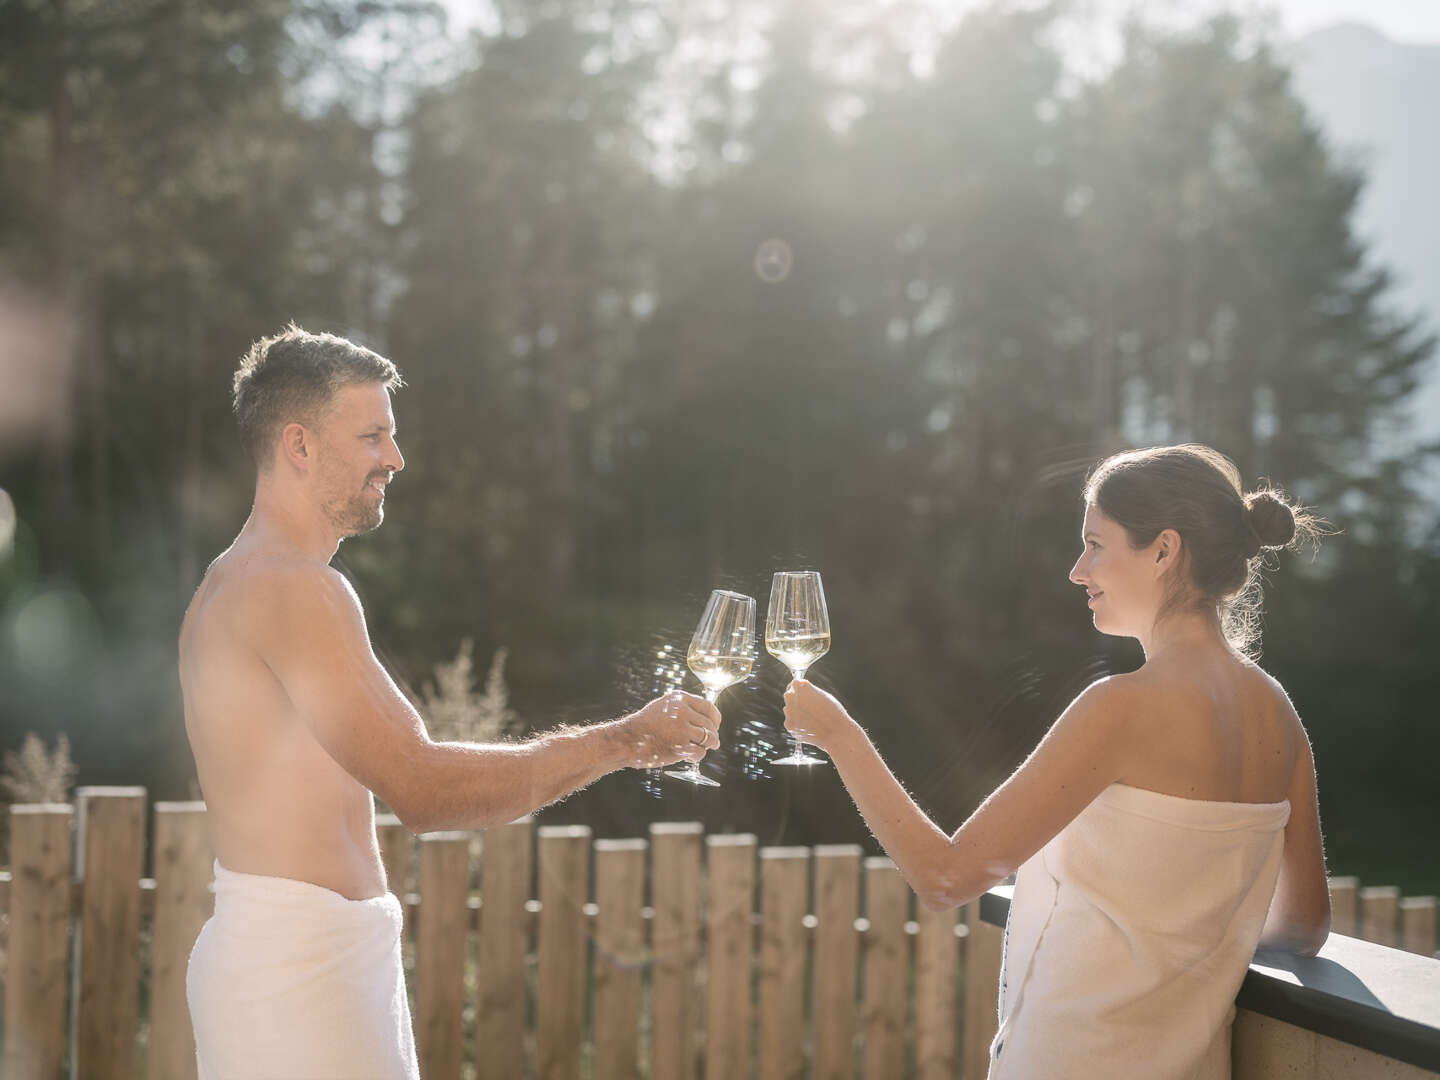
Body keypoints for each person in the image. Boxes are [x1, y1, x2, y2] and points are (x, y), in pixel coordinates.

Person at [179, 324, 719, 1080]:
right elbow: (425, 789)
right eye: (371, 437)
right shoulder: (295, 590)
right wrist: (624, 741)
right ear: (299, 446)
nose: (394, 460)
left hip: (288, 965)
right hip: (299, 981)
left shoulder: (232, 582)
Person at [783, 444, 1331, 1080]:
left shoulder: (1121, 707)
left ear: (1163, 550)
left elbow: (945, 878)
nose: (1078, 570)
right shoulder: (1279, 714)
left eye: (1096, 544)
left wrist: (842, 737)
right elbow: (1305, 925)